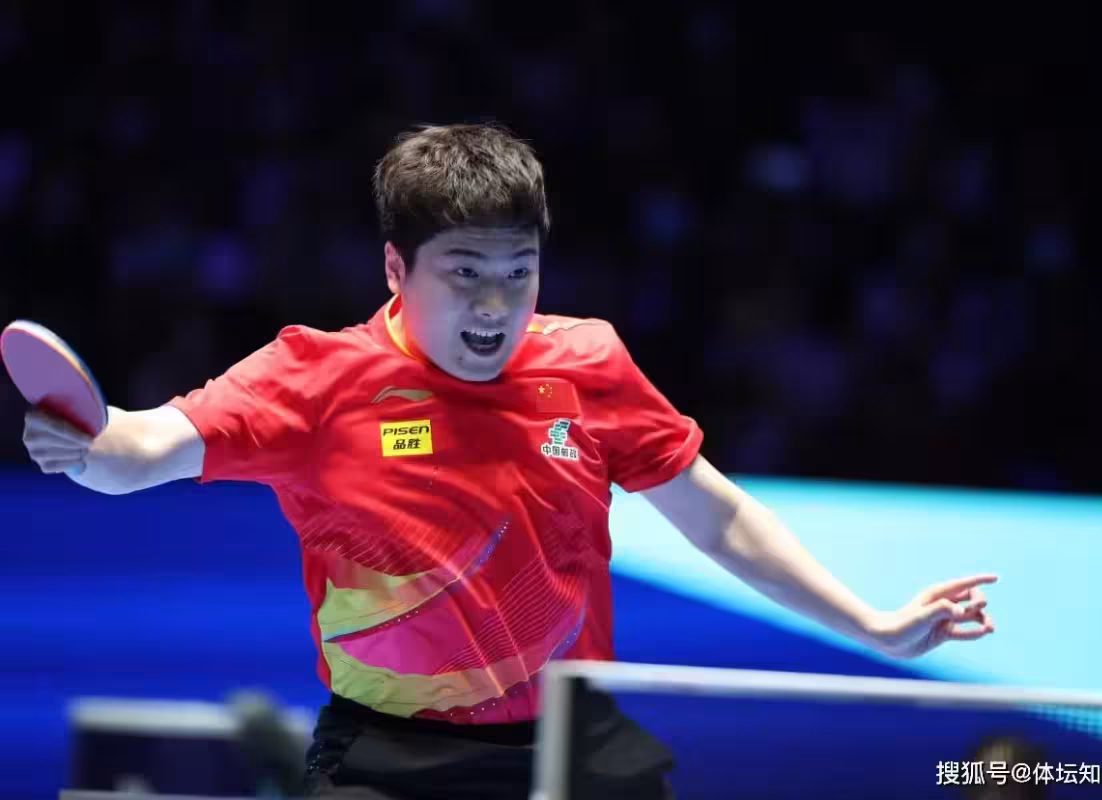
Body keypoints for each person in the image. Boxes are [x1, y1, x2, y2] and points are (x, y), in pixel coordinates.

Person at [21, 123, 996, 799]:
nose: (494, 307)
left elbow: (720, 517)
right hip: (390, 756)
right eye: (465, 274)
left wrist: (872, 622)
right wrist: (86, 439)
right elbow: (141, 449)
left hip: (575, 741)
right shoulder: (315, 380)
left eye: (518, 274)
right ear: (397, 268)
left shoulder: (589, 363)